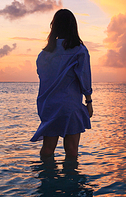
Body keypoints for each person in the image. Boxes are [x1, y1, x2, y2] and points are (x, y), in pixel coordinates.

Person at [31, 9, 93, 159]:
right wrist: (89, 101)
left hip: (48, 104)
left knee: (47, 149)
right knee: (71, 150)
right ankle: (70, 182)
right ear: (73, 27)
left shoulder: (44, 54)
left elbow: (43, 77)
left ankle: (47, 180)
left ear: (54, 27)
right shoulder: (79, 50)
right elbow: (84, 77)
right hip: (69, 104)